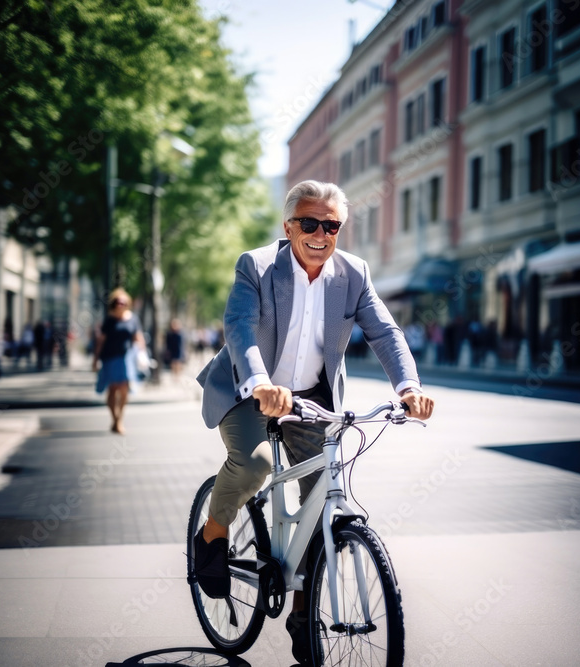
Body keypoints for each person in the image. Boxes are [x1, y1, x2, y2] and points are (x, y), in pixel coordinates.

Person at [194, 180, 435, 663]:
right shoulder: (257, 265)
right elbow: (240, 328)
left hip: (310, 400)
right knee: (256, 465)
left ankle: (304, 616)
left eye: (332, 225)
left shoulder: (354, 273)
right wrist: (261, 382)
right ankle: (213, 533)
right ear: (289, 226)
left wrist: (408, 387)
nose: (321, 233)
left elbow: (385, 332)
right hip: (250, 389)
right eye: (310, 223)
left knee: (322, 493)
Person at [92, 288, 145, 434]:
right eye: (117, 302)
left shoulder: (133, 319)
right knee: (113, 389)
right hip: (110, 358)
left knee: (124, 388)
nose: (120, 305)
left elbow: (138, 338)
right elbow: (100, 341)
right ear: (113, 304)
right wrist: (95, 359)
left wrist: (142, 354)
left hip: (126, 359)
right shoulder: (109, 320)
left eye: (123, 302)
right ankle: (114, 419)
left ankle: (119, 419)